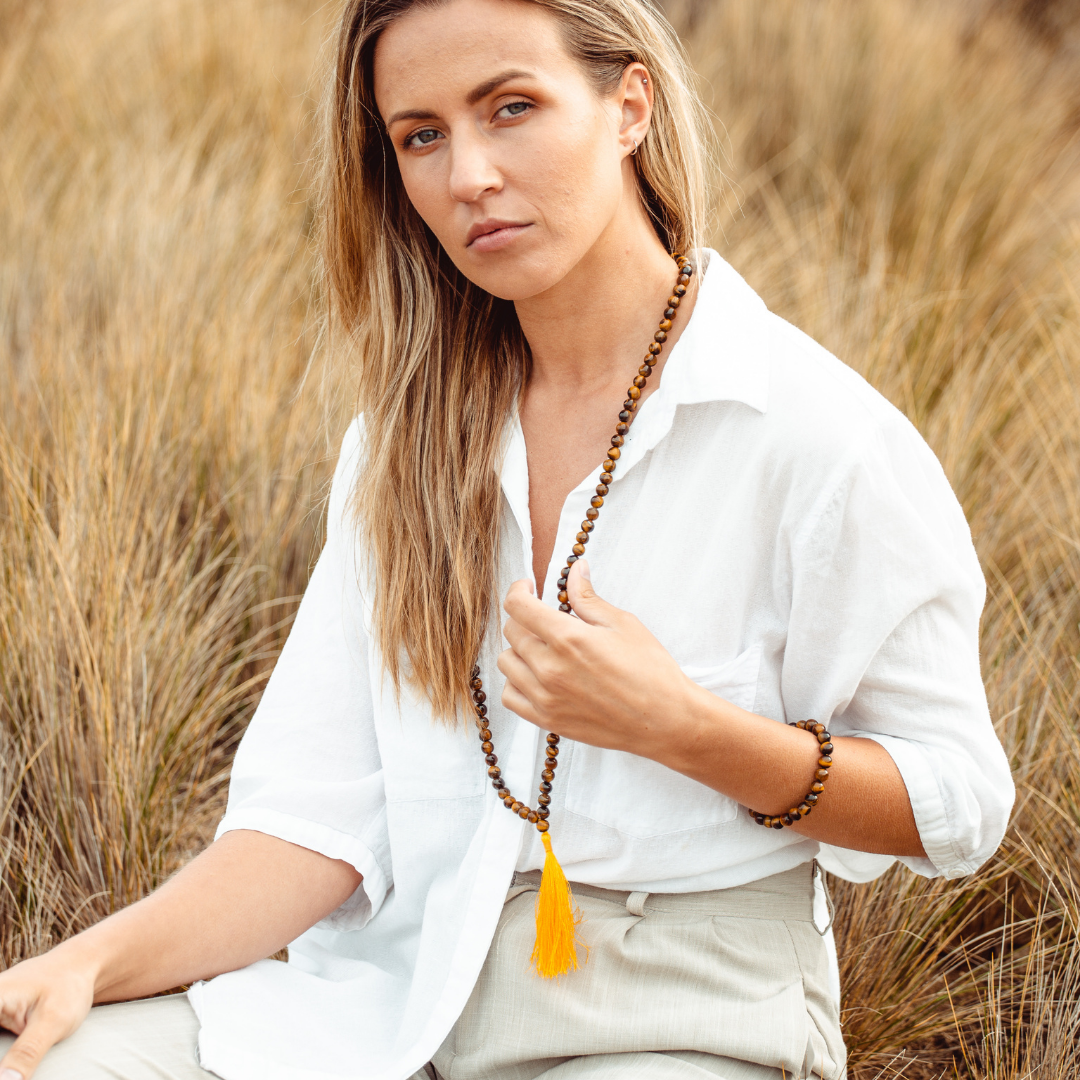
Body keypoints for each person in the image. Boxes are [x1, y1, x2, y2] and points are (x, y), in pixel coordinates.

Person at [0, 0, 1015, 1077]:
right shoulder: (398, 447)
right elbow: (310, 830)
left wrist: (683, 728)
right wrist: (86, 965)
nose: (468, 175)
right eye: (421, 136)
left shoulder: (818, 437)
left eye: (512, 108)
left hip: (677, 1019)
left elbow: (960, 801)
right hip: (394, 1004)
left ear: (629, 105)